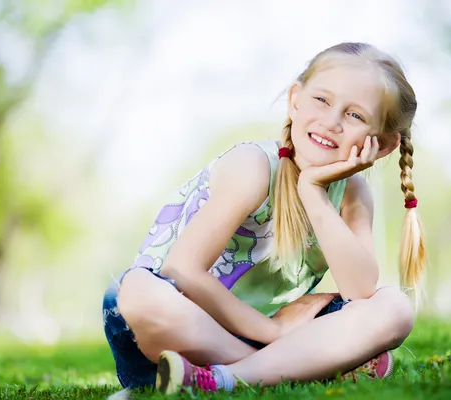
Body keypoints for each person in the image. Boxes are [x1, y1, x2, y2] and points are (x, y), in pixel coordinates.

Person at [102, 42, 427, 394]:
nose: (331, 122)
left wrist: (313, 193)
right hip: (182, 323)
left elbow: (360, 291)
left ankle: (220, 379)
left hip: (264, 332)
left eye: (355, 116)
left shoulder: (353, 194)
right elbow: (182, 271)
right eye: (322, 100)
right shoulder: (253, 166)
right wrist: (274, 334)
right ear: (295, 99)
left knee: (394, 307)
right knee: (137, 290)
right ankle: (282, 368)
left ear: (380, 145)